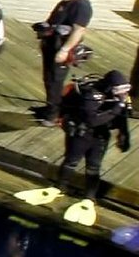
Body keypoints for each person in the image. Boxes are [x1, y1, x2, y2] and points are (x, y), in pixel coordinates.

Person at [57, 70, 132, 198]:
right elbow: (92, 120)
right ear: (110, 87)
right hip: (82, 132)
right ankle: (60, 187)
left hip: (100, 136)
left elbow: (122, 117)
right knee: (71, 161)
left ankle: (90, 197)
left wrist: (124, 134)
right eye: (119, 89)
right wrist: (117, 107)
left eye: (125, 89)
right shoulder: (91, 94)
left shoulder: (120, 98)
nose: (123, 93)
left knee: (94, 167)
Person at [32, 0, 93, 126]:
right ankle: (50, 107)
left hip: (62, 46)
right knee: (48, 78)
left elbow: (78, 30)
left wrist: (65, 50)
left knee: (55, 80)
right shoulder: (66, 2)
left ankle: (53, 115)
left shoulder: (81, 5)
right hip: (51, 44)